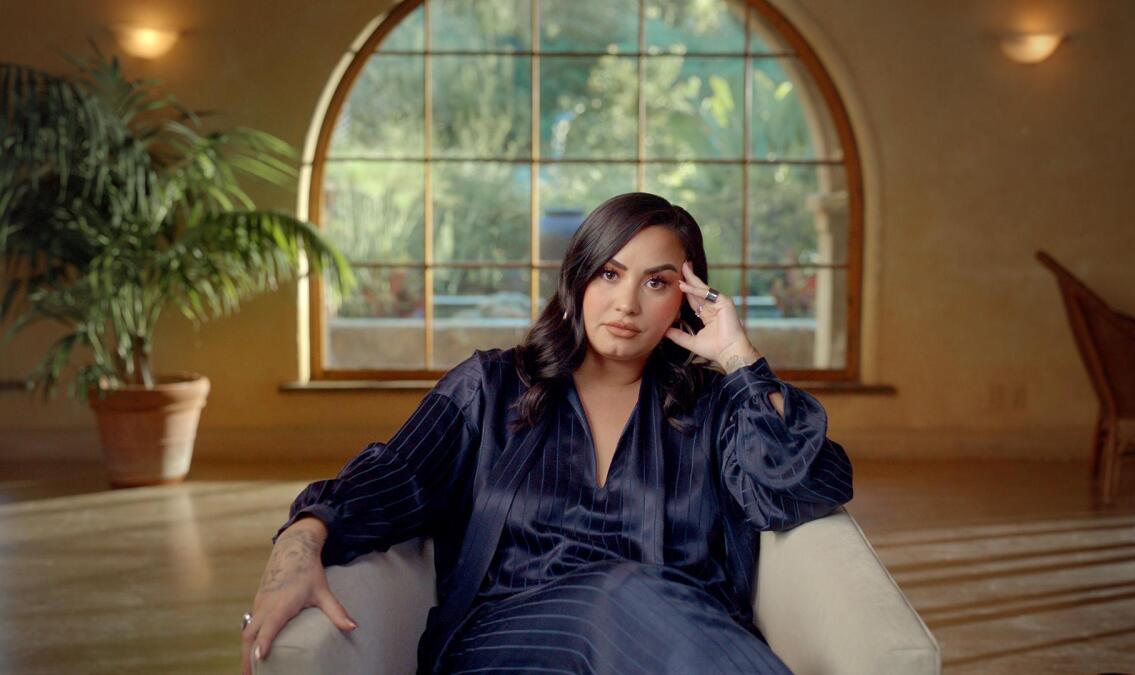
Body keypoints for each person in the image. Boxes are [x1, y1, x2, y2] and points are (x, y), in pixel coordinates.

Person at [240, 192, 853, 675]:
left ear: (687, 301)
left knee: (635, 594)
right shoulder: (491, 387)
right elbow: (390, 479)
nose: (628, 304)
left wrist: (740, 359)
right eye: (610, 275)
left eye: (657, 282)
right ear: (578, 279)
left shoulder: (716, 407)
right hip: (512, 646)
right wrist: (298, 543)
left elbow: (794, 490)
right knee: (618, 592)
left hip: (678, 646)